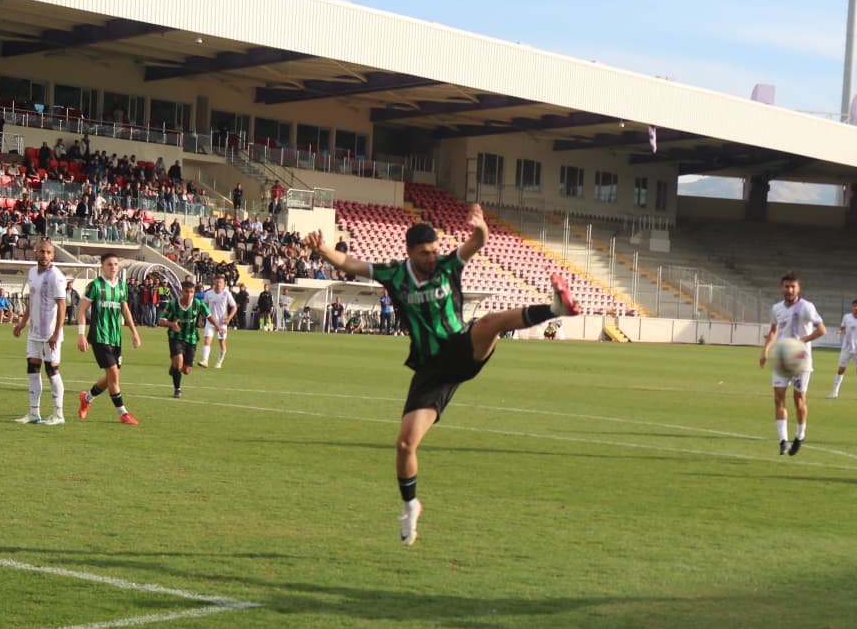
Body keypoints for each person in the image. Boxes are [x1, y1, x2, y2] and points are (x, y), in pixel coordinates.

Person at [305, 207, 582, 546]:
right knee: (406, 443)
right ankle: (410, 508)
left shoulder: (449, 265)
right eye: (425, 253)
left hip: (461, 348)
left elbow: (475, 243)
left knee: (489, 322)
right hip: (431, 370)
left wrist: (479, 228)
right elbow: (350, 264)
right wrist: (323, 251)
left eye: (435, 250)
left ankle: (555, 309)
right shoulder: (394, 274)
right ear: (409, 253)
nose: (433, 257)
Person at [758, 272, 825, 455]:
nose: (789, 290)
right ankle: (782, 441)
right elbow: (773, 331)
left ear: (798, 288)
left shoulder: (806, 307)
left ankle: (800, 435)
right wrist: (765, 351)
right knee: (778, 398)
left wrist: (804, 339)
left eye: (792, 287)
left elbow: (822, 330)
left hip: (800, 361)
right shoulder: (777, 308)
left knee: (799, 400)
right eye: (786, 286)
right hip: (781, 359)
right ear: (782, 288)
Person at [75, 252, 142, 425]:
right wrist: (81, 334)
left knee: (111, 376)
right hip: (99, 336)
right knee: (113, 374)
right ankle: (123, 413)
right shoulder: (95, 285)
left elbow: (125, 310)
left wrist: (134, 333)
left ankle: (87, 398)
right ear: (102, 267)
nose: (113, 267)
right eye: (109, 264)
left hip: (115, 337)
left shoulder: (122, 286)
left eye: (115, 264)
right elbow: (81, 310)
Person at [11, 239, 68, 425]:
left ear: (53, 255)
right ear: (35, 252)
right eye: (41, 251)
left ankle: (58, 414)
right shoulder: (32, 272)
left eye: (48, 253)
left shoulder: (56, 276)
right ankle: (34, 413)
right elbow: (32, 300)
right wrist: (22, 323)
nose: (44, 255)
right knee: (32, 369)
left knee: (52, 370)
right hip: (34, 332)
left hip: (50, 333)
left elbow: (62, 305)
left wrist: (57, 333)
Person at [159, 279, 209, 398]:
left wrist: (218, 326)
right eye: (187, 292)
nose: (189, 294)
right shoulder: (173, 304)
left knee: (186, 370)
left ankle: (174, 367)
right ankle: (177, 389)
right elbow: (160, 321)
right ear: (182, 292)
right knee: (179, 362)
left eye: (192, 292)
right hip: (175, 336)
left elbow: (209, 315)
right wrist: (172, 324)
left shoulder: (198, 304)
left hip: (191, 338)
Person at [827, 298, 857, 400]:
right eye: (855, 306)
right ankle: (834, 392)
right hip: (846, 348)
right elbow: (842, 327)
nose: (856, 308)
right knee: (841, 369)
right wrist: (839, 331)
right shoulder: (847, 317)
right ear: (852, 307)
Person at [197, 274, 236, 368]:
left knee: (222, 342)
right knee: (207, 340)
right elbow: (204, 307)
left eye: (220, 282)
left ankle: (219, 361)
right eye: (217, 282)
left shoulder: (226, 293)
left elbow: (234, 307)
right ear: (214, 282)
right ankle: (205, 360)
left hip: (222, 323)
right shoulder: (208, 293)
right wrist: (201, 319)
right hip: (210, 321)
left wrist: (229, 318)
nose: (218, 284)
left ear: (224, 284)